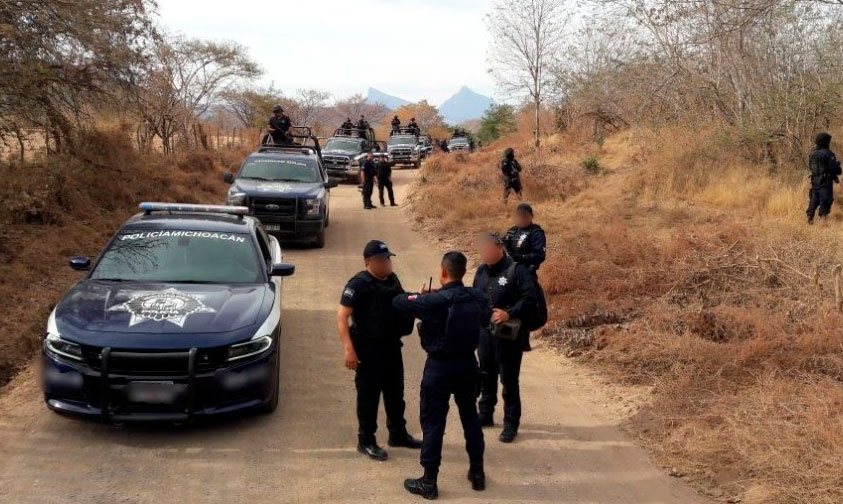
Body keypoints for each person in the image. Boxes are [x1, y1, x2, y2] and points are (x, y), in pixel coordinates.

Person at [393, 251, 488, 499]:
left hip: (439, 367)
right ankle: (477, 473)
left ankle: (429, 481)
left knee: (433, 423)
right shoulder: (477, 297)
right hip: (468, 364)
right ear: (463, 271)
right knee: (471, 419)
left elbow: (400, 301)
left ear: (443, 272)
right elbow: (488, 317)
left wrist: (423, 297)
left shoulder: (435, 301)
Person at [336, 240, 422, 461]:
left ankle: (398, 434)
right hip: (367, 349)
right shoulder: (358, 284)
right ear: (369, 261)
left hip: (391, 346)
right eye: (382, 260)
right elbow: (342, 316)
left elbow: (401, 301)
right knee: (368, 398)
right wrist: (349, 349)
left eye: (388, 259)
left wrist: (418, 296)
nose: (387, 263)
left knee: (396, 394)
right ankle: (366, 441)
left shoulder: (392, 279)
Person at [473, 232, 537, 443]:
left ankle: (511, 423)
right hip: (485, 335)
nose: (484, 253)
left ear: (499, 248)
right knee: (486, 375)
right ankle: (486, 414)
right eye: (481, 249)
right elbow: (474, 296)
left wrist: (508, 313)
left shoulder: (516, 270)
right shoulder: (481, 271)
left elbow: (530, 299)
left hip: (508, 336)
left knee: (508, 380)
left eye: (487, 248)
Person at [503, 203, 547, 351]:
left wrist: (519, 257)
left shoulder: (536, 233)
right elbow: (503, 247)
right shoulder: (512, 231)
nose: (521, 219)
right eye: (518, 216)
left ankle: (524, 341)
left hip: (527, 274)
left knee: (526, 307)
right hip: (510, 274)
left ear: (530, 216)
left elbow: (539, 255)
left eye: (524, 216)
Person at [807, 132, 841, 224]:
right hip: (825, 182)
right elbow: (834, 169)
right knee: (826, 199)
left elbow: (811, 167)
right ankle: (823, 221)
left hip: (814, 181)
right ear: (826, 142)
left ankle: (810, 217)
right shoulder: (828, 154)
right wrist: (838, 168)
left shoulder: (813, 153)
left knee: (814, 200)